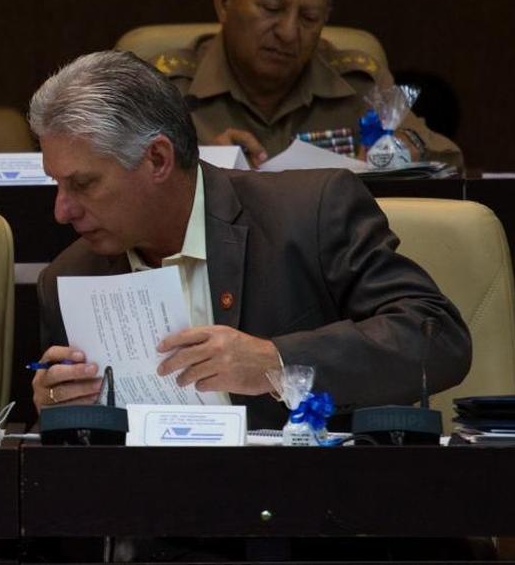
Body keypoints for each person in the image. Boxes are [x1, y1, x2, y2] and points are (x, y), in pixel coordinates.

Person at [29, 50, 471, 429]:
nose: (61, 210)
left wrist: (276, 363)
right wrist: (61, 414)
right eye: (57, 184)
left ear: (158, 159)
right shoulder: (69, 278)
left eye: (83, 184)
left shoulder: (311, 213)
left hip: (315, 509)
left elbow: (435, 336)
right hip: (155, 517)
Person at [152, 0, 461, 168]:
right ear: (224, 1)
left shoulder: (356, 84)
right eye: (272, 8)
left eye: (309, 17)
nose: (288, 32)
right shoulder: (164, 90)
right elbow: (116, 184)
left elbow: (449, 159)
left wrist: (408, 148)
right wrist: (196, 167)